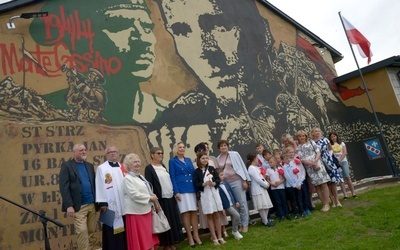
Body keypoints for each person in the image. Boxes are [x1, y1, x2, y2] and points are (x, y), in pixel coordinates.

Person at [144, 147, 184, 250]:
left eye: (162, 153)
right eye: (158, 153)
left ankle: (172, 243)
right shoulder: (149, 168)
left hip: (170, 198)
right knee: (164, 222)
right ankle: (166, 245)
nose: (161, 155)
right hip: (160, 199)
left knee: (172, 221)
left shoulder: (162, 166)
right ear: (152, 155)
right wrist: (155, 202)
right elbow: (150, 186)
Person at [59, 143, 97, 250]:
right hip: (78, 206)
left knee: (91, 230)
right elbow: (64, 187)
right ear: (74, 152)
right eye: (80, 150)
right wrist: (69, 205)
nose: (83, 152)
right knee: (82, 231)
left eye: (84, 149)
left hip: (92, 204)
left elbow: (94, 184)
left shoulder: (89, 165)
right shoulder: (67, 166)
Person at [122, 153, 159, 250]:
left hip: (145, 210)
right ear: (129, 165)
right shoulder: (127, 178)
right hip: (136, 213)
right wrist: (150, 198)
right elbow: (134, 194)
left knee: (147, 236)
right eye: (134, 162)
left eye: (138, 161)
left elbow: (146, 190)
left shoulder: (140, 176)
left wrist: (152, 195)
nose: (137, 164)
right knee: (140, 238)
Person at [168, 142, 202, 247]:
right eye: (180, 147)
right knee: (185, 213)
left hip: (191, 188)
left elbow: (193, 174)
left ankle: (196, 235)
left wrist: (196, 189)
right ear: (175, 149)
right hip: (181, 190)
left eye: (183, 147)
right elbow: (172, 177)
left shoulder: (188, 160)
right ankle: (190, 237)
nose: (182, 149)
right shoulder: (172, 161)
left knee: (193, 212)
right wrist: (176, 191)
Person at [95, 145, 127, 250]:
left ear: (118, 154)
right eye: (110, 152)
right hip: (110, 205)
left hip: (123, 204)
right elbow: (99, 185)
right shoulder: (102, 168)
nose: (113, 153)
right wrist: (102, 203)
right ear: (106, 155)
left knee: (124, 228)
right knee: (110, 229)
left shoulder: (123, 167)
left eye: (115, 151)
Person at [216, 140, 251, 233]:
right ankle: (238, 224)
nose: (224, 147)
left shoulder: (234, 154)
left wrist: (244, 180)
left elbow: (242, 166)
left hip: (237, 181)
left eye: (225, 145)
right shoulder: (218, 158)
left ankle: (245, 224)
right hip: (226, 184)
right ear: (219, 148)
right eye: (221, 146)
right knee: (233, 206)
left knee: (242, 203)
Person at [193, 152, 226, 245]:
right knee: (210, 216)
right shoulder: (196, 172)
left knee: (216, 215)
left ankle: (220, 236)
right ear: (199, 160)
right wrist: (204, 184)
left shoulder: (211, 169)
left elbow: (217, 179)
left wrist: (214, 183)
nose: (205, 160)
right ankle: (214, 237)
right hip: (205, 195)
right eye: (203, 158)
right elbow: (196, 184)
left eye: (206, 158)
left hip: (214, 194)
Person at [296, 130, 331, 212]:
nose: (302, 137)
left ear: (306, 136)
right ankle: (324, 204)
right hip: (310, 167)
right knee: (317, 186)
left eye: (303, 136)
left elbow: (318, 152)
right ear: (297, 138)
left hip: (318, 163)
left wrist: (315, 162)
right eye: (300, 136)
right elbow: (302, 159)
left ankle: (327, 204)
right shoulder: (298, 148)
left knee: (324, 183)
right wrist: (312, 164)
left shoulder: (311, 142)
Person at [311, 127, 344, 208]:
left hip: (329, 161)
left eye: (319, 131)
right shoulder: (311, 143)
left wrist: (329, 157)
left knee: (333, 182)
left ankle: (337, 200)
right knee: (326, 183)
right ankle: (332, 201)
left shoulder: (325, 139)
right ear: (312, 133)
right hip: (320, 162)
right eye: (316, 131)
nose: (317, 132)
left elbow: (330, 149)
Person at [246, 153, 275, 227]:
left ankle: (265, 220)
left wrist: (266, 184)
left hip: (262, 188)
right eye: (257, 158)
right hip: (257, 189)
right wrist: (265, 184)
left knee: (266, 205)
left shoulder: (256, 167)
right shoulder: (251, 168)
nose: (258, 160)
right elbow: (257, 179)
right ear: (254, 159)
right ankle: (265, 221)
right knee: (261, 206)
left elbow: (261, 177)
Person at [329, 132, 358, 200]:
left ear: (337, 136)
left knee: (347, 177)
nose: (333, 138)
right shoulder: (330, 145)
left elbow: (344, 152)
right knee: (341, 179)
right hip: (336, 163)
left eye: (334, 136)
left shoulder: (342, 143)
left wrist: (340, 159)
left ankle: (353, 193)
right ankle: (345, 195)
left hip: (343, 161)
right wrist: (337, 161)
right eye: (332, 137)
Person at [217, 168, 243, 240]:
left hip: (232, 202)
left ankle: (235, 231)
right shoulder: (216, 186)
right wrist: (222, 208)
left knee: (234, 216)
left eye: (223, 174)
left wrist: (236, 200)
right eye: (221, 175)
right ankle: (235, 231)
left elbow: (232, 192)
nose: (223, 176)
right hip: (226, 204)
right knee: (237, 215)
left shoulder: (225, 183)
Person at [282, 148, 306, 218]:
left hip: (298, 184)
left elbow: (299, 173)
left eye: (288, 158)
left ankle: (302, 211)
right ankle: (296, 213)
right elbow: (287, 177)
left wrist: (299, 183)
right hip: (290, 186)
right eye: (286, 158)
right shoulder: (284, 167)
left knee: (299, 199)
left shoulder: (295, 163)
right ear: (283, 160)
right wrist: (294, 185)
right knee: (293, 200)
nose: (288, 159)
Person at [266, 156, 291, 222]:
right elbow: (267, 179)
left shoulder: (280, 168)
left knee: (283, 201)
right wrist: (272, 184)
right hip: (274, 188)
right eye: (269, 162)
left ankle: (287, 213)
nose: (270, 164)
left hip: (281, 187)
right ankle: (281, 215)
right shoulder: (268, 170)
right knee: (278, 202)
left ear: (275, 162)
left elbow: (284, 178)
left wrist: (280, 182)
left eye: (271, 162)